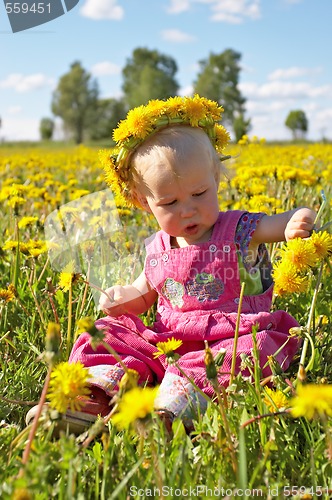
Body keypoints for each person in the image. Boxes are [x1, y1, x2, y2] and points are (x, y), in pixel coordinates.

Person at [29, 96, 316, 432]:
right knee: (107, 333)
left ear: (217, 177)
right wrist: (122, 298)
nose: (188, 210)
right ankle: (94, 395)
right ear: (143, 202)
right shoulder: (157, 248)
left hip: (231, 336)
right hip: (168, 344)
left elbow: (275, 224)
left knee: (244, 354)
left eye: (199, 193)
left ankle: (173, 414)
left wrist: (297, 218)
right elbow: (143, 294)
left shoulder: (238, 229)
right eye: (169, 202)